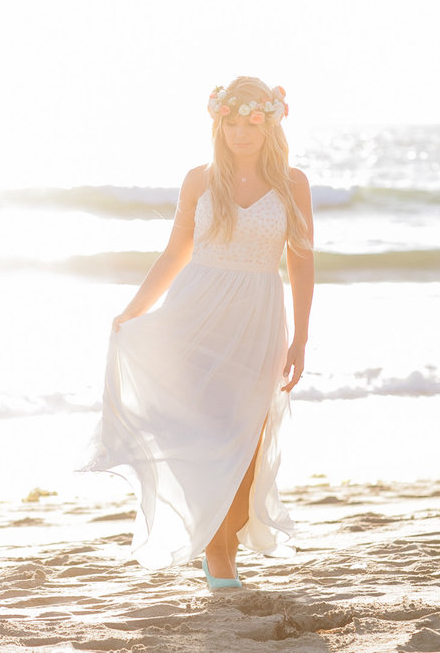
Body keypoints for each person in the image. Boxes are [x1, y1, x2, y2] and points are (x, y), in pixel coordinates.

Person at [79, 75, 314, 590]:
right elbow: (175, 252)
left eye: (250, 122)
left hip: (259, 320)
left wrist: (300, 339)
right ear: (218, 123)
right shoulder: (199, 180)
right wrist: (133, 311)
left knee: (247, 444)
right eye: (230, 122)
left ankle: (222, 538)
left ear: (270, 123)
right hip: (196, 318)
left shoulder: (293, 184)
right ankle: (219, 553)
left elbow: (301, 262)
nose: (239, 133)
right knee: (206, 436)